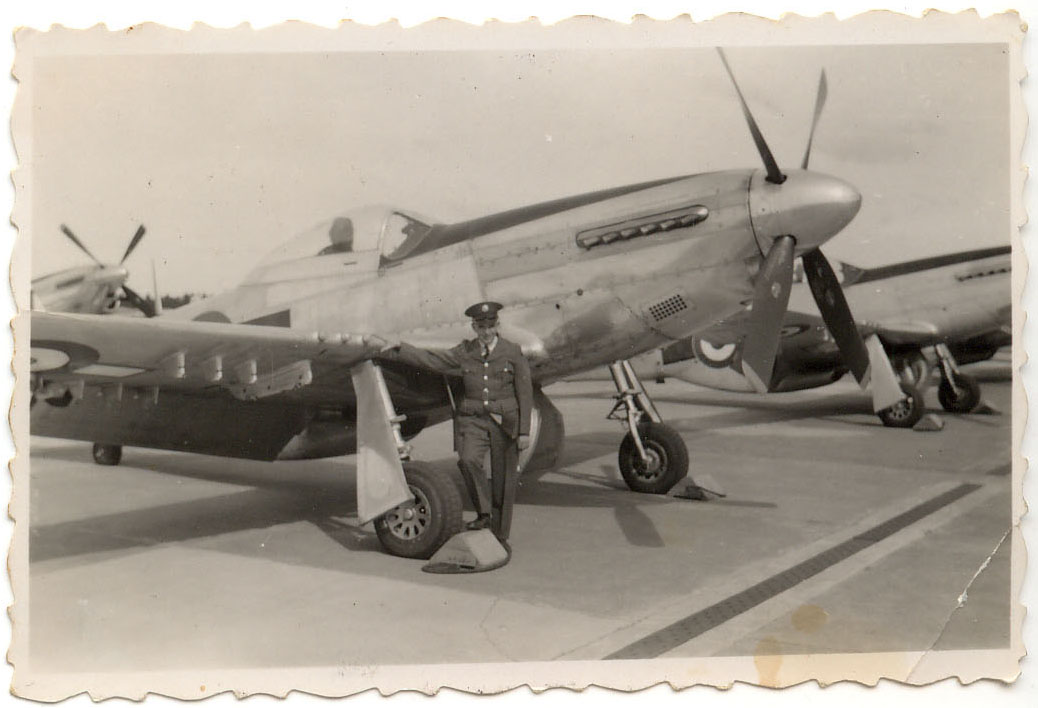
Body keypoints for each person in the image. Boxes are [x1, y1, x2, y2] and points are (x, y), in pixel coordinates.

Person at [380, 301, 533, 550]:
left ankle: (500, 534)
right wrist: (401, 348)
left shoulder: (512, 351)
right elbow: (433, 359)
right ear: (474, 327)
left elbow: (524, 392)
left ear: (498, 325)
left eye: (490, 326)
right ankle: (484, 516)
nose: (486, 332)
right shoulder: (465, 351)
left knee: (504, 478)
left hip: (504, 421)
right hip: (473, 419)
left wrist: (524, 430)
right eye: (481, 326)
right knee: (468, 460)